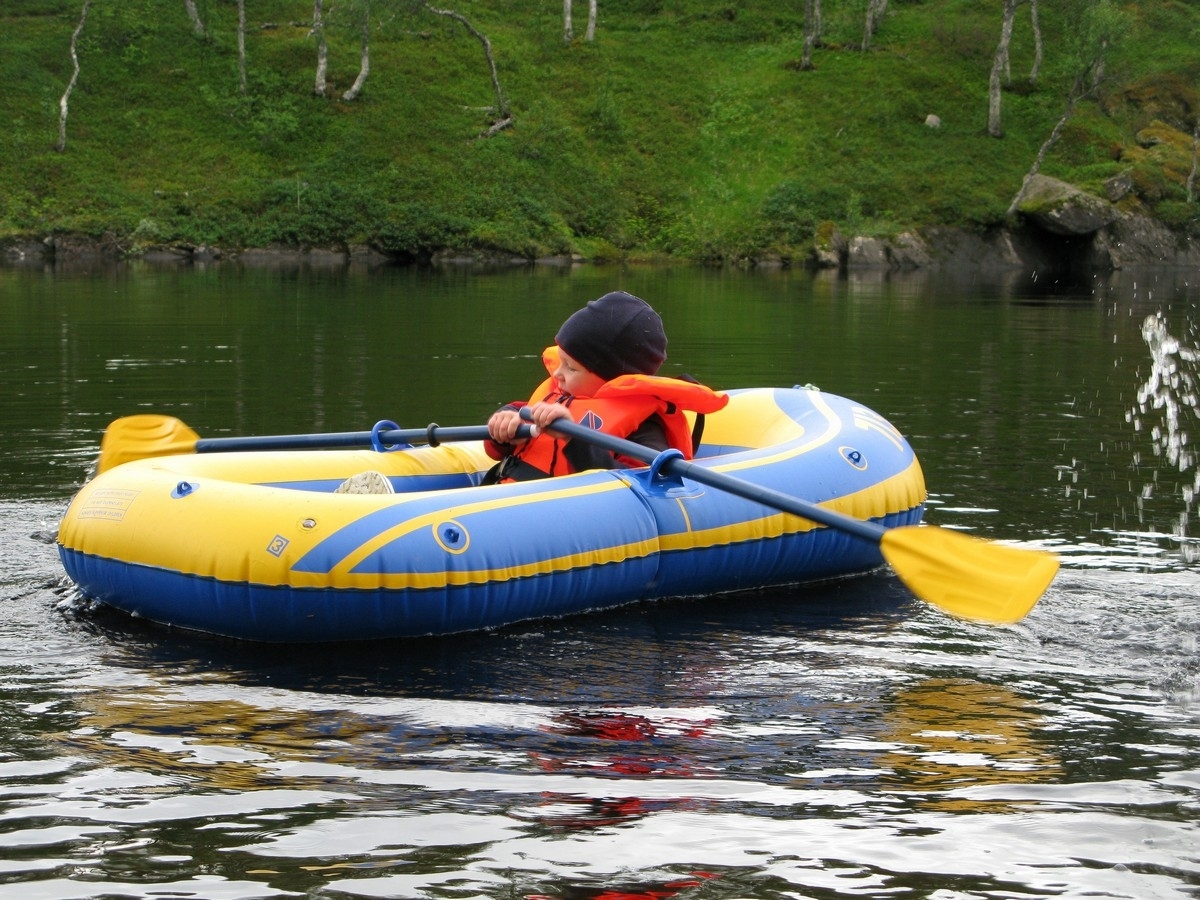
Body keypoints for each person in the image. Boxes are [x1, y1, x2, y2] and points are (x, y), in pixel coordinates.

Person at [483, 290, 728, 483]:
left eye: (571, 367)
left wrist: (574, 436)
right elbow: (506, 436)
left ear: (609, 379)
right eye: (561, 359)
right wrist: (504, 425)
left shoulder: (644, 429)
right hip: (511, 498)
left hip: (571, 521)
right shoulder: (556, 395)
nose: (557, 373)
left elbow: (641, 486)